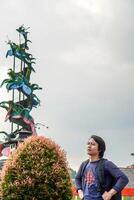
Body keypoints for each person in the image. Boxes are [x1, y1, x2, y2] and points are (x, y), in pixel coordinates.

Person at [75, 135, 129, 200]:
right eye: (88, 143)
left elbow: (123, 178)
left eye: (93, 144)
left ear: (100, 149)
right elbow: (77, 178)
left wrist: (110, 194)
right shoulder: (84, 164)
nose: (89, 146)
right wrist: (80, 191)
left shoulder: (106, 164)